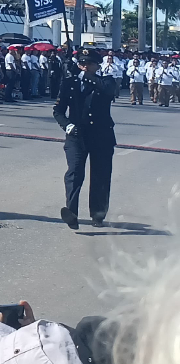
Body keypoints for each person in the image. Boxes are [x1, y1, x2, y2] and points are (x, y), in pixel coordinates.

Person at [55, 48, 117, 229]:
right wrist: (67, 125)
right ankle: (71, 213)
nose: (84, 66)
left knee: (100, 176)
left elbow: (107, 90)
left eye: (89, 63)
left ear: (97, 66)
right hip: (77, 135)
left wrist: (85, 76)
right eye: (82, 62)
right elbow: (58, 110)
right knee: (74, 173)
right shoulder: (69, 83)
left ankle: (98, 214)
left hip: (101, 135)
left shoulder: (107, 81)